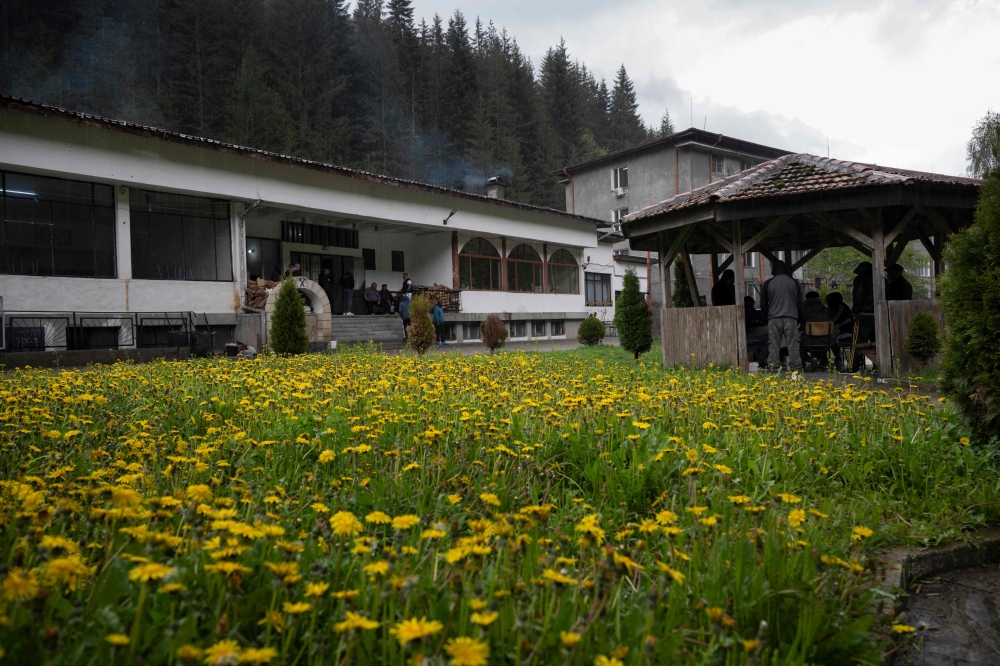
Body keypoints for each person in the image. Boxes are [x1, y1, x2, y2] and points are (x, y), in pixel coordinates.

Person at [760, 260, 802, 373]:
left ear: (773, 270)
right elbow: (799, 303)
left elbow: (763, 305)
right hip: (791, 318)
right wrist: (800, 319)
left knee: (773, 345)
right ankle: (795, 372)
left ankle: (774, 371)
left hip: (773, 319)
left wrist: (768, 316)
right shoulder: (794, 282)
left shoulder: (768, 283)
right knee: (793, 345)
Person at [851, 262, 874, 371]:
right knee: (878, 341)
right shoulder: (881, 279)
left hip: (863, 314)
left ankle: (853, 366)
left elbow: (857, 296)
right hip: (879, 314)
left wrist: (855, 311)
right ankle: (879, 365)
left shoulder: (860, 279)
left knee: (857, 341)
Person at [826, 292, 854, 371]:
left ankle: (839, 361)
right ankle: (837, 360)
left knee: (835, 340)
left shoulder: (841, 308)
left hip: (849, 332)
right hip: (845, 330)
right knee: (831, 339)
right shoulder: (839, 307)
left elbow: (834, 320)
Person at [744, 295, 769, 365]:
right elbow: (760, 317)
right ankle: (760, 362)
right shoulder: (748, 308)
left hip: (741, 335)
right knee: (768, 339)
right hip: (746, 335)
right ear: (749, 302)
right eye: (753, 304)